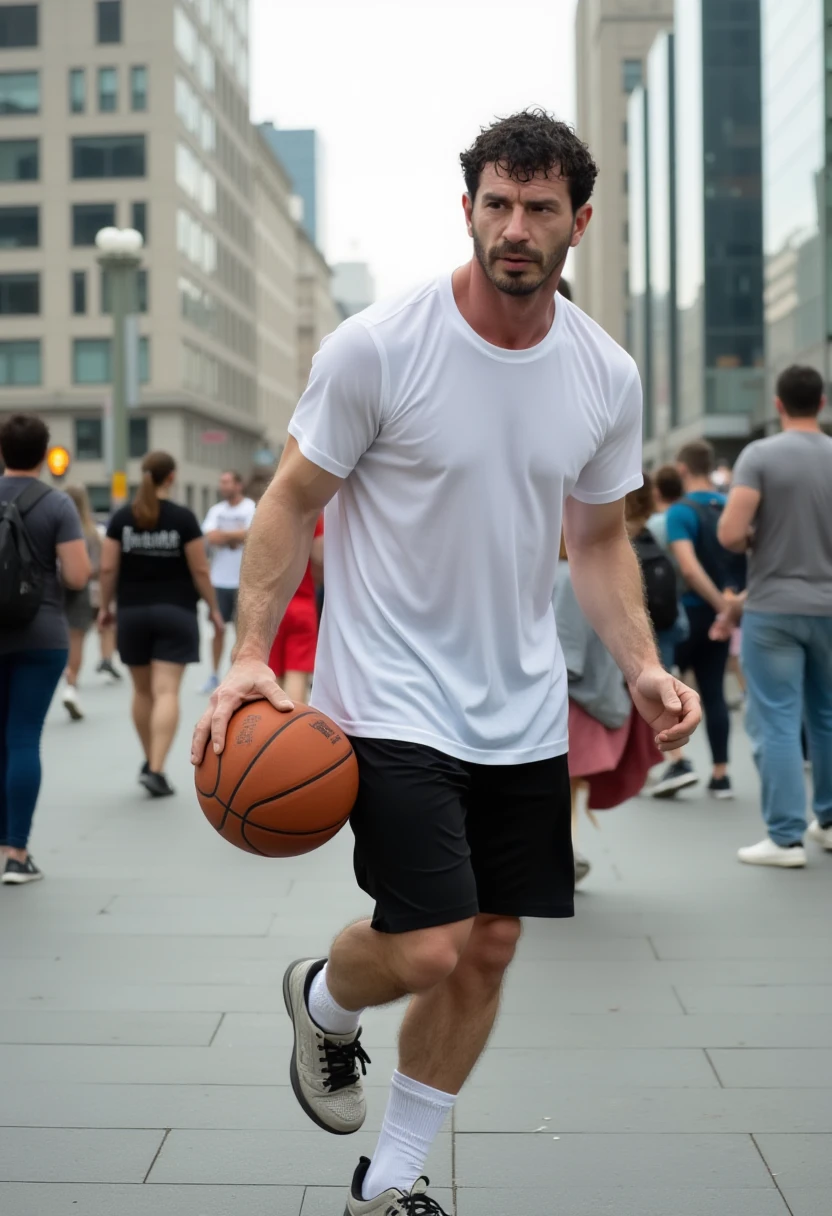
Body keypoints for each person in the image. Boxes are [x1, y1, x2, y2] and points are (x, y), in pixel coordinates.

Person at [191, 110, 701, 1216]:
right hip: (386, 695)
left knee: (492, 944)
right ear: (466, 207)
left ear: (579, 220)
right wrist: (243, 656)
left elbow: (599, 537)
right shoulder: (379, 347)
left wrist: (646, 667)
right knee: (426, 948)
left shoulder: (602, 374)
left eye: (538, 209)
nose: (514, 228)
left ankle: (393, 1178)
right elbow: (288, 500)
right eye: (496, 204)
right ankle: (325, 997)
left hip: (520, 705)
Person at [717, 365, 832, 867]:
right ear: (822, 403)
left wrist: (758, 539)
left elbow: (729, 533)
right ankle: (828, 822)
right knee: (827, 716)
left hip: (774, 606)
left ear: (779, 404)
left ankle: (785, 838)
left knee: (778, 719)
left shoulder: (759, 456)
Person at [98, 451, 225, 798]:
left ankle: (148, 759)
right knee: (166, 691)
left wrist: (105, 607)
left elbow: (108, 569)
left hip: (133, 614)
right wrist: (214, 608)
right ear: (171, 477)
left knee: (142, 692)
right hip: (176, 612)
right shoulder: (183, 519)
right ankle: (156, 767)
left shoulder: (123, 518)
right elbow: (200, 569)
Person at [0, 415, 91, 884]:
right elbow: (77, 576)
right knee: (22, 738)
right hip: (41, 633)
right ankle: (16, 853)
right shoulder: (56, 503)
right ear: (44, 453)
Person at [555, 534, 662, 884]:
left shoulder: (558, 576)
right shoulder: (586, 575)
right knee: (565, 782)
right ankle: (565, 848)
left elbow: (567, 651)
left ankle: (563, 850)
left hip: (566, 695)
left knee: (556, 779)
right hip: (591, 694)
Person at [667, 440, 742, 799]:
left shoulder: (680, 512)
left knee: (667, 685)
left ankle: (678, 761)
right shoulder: (731, 507)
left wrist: (716, 604)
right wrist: (730, 607)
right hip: (723, 615)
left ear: (682, 470)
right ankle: (721, 774)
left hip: (689, 611)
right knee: (713, 692)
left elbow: (688, 568)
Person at [630, 474, 698, 798]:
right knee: (662, 690)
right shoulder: (660, 526)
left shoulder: (612, 533)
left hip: (636, 627)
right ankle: (672, 760)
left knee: (639, 697)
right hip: (666, 624)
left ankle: (674, 762)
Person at [200, 470, 257, 694]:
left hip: (244, 581)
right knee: (218, 628)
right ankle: (214, 675)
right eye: (221, 482)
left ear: (238, 485)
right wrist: (236, 536)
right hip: (219, 580)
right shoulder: (216, 510)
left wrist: (225, 536)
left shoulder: (249, 508)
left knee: (242, 633)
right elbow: (210, 537)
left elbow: (253, 533)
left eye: (227, 482)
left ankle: (236, 677)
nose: (222, 486)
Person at [268, 515, 324, 703]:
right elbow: (320, 557)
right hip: (302, 604)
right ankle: (294, 730)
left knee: (273, 678)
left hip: (272, 608)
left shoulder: (270, 517)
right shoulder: (313, 518)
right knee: (297, 676)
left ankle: (272, 730)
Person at [60, 484, 103, 721]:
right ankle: (71, 685)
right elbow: (97, 568)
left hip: (52, 591)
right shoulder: (90, 532)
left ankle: (63, 674)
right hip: (80, 590)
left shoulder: (54, 526)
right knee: (76, 640)